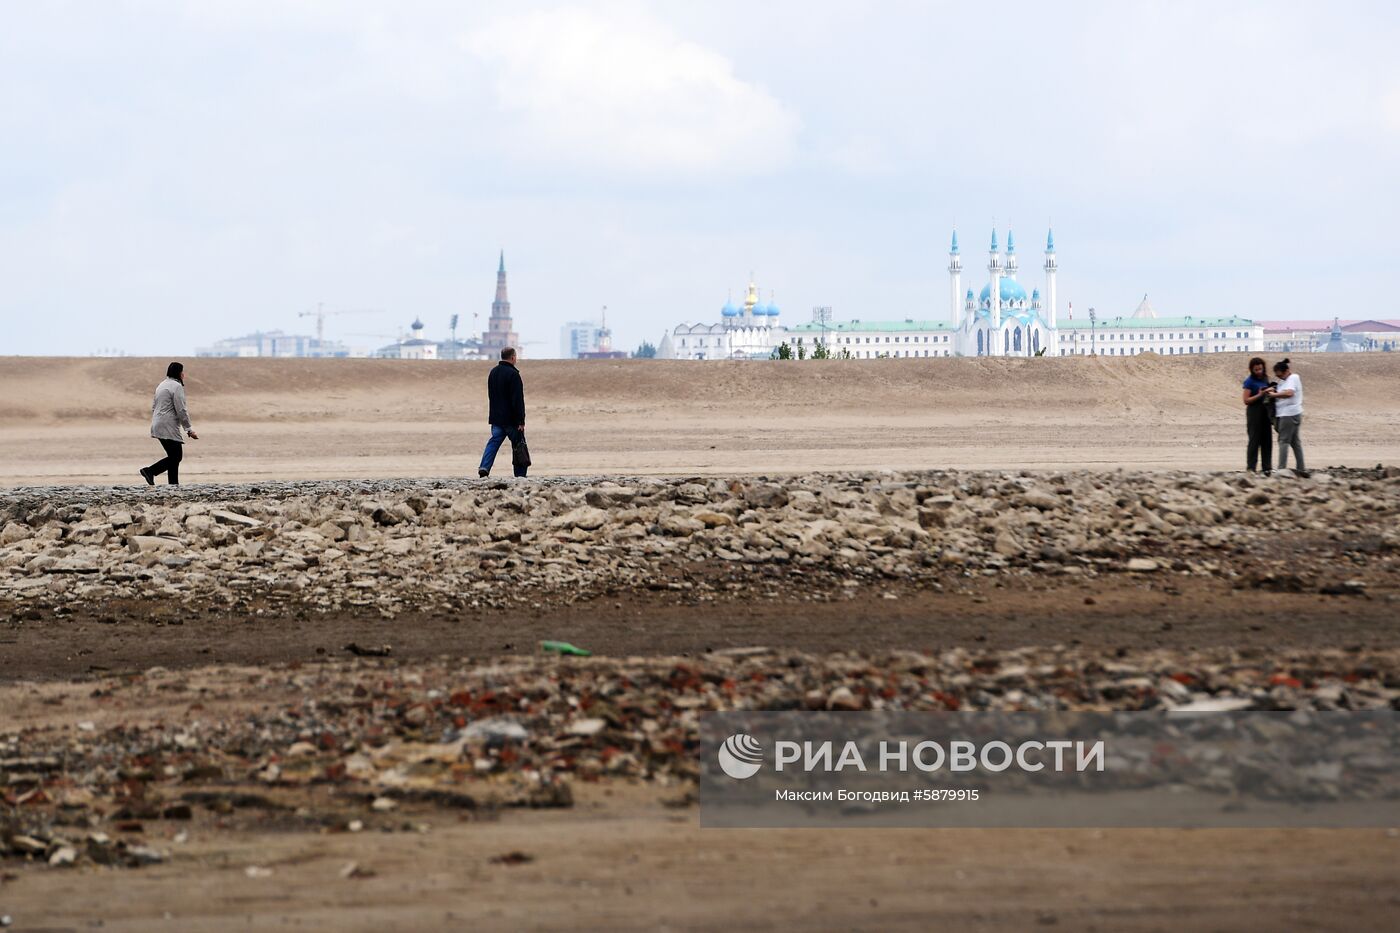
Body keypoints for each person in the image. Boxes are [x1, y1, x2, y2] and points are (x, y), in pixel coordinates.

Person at [140, 362, 198, 485]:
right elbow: (181, 409)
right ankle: (150, 471)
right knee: (177, 457)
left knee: (173, 456)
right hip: (168, 426)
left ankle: (173, 485)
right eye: (182, 372)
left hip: (157, 424)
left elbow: (154, 406)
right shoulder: (176, 386)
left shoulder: (161, 385)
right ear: (178, 373)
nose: (183, 374)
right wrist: (189, 429)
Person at [478, 347, 527, 478]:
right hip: (511, 420)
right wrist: (521, 420)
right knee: (518, 445)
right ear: (512, 357)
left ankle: (484, 467)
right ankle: (520, 474)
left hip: (496, 418)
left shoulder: (493, 372)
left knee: (493, 443)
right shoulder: (513, 375)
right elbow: (517, 400)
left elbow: (491, 395)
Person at [1268, 358, 1307, 476]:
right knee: (1295, 442)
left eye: (1280, 375)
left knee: (1283, 441)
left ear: (1286, 371)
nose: (1280, 378)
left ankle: (1281, 469)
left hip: (1288, 414)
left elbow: (1289, 393)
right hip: (1292, 413)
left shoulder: (1293, 378)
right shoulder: (1284, 381)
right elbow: (1283, 390)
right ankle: (1301, 468)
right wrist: (1273, 389)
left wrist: (1274, 395)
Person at [1241, 357, 1273, 474]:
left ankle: (1267, 467)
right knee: (1254, 440)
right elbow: (1246, 400)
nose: (1259, 371)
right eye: (1256, 370)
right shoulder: (1249, 381)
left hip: (1265, 411)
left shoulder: (1265, 378)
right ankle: (1251, 468)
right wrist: (1260, 394)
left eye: (1260, 369)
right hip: (1254, 412)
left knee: (1267, 440)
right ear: (1252, 370)